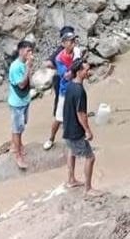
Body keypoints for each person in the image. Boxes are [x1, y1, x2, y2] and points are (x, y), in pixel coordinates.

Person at [62, 58, 101, 196]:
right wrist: (88, 130)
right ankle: (88, 188)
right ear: (79, 72)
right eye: (86, 70)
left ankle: (71, 179)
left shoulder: (70, 86)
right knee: (90, 157)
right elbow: (81, 114)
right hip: (75, 130)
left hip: (67, 127)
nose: (88, 72)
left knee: (71, 151)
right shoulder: (80, 91)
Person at [42, 26, 76, 150]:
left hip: (76, 88)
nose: (73, 42)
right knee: (58, 117)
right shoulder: (59, 57)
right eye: (70, 40)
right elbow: (66, 75)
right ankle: (51, 139)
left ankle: (75, 138)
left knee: (77, 114)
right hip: (64, 89)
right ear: (63, 43)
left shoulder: (77, 51)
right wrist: (75, 68)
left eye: (73, 40)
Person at [8, 39, 36, 170]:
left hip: (24, 100)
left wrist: (29, 69)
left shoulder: (25, 64)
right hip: (17, 103)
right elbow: (22, 84)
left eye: (31, 50)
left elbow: (30, 82)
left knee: (21, 126)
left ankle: (18, 145)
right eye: (28, 50)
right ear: (21, 51)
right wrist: (28, 68)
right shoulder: (15, 67)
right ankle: (18, 155)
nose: (30, 53)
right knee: (17, 128)